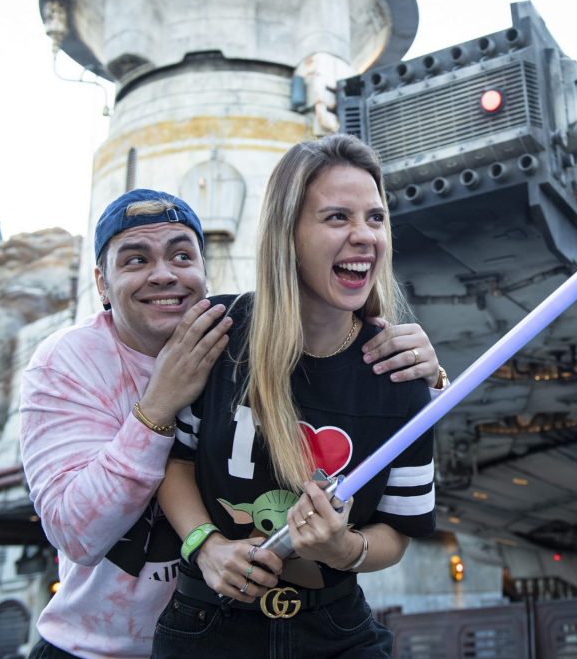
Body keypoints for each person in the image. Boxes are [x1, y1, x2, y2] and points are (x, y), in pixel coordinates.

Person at [20, 187, 442, 659]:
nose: (163, 275)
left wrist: (424, 373)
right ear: (101, 282)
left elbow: (336, 370)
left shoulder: (241, 341)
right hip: (99, 648)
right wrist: (158, 405)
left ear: (204, 271)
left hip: (232, 636)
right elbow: (76, 533)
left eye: (182, 255)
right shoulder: (67, 363)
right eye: (135, 260)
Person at [152, 134, 445, 658]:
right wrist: (206, 546)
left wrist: (345, 548)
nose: (365, 237)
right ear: (288, 234)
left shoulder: (402, 375)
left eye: (375, 218)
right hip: (208, 627)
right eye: (337, 218)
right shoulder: (217, 332)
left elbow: (397, 533)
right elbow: (174, 463)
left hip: (336, 630)